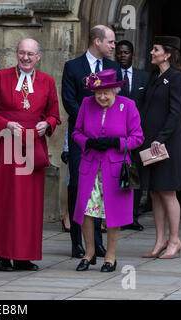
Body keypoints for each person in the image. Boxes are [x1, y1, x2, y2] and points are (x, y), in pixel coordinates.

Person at [0, 38, 61, 271]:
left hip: (32, 146)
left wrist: (47, 124)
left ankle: (23, 256)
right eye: (22, 53)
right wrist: (6, 124)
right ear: (16, 54)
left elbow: (54, 115)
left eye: (31, 54)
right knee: (5, 201)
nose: (26, 58)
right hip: (6, 146)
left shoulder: (48, 82)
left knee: (28, 205)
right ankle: (3, 254)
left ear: (38, 57)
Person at [72, 69, 144, 272]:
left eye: (106, 93)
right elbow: (76, 131)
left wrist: (117, 142)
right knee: (86, 209)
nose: (102, 97)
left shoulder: (127, 106)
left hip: (115, 168)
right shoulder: (87, 104)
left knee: (113, 213)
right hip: (91, 166)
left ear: (115, 90)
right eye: (98, 93)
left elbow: (138, 137)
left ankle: (110, 257)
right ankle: (89, 253)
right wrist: (88, 142)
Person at [61, 25, 121, 259]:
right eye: (111, 42)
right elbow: (69, 101)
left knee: (102, 189)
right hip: (81, 139)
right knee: (79, 187)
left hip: (106, 142)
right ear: (97, 41)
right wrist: (90, 127)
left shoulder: (114, 68)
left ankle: (96, 243)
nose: (114, 46)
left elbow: (117, 101)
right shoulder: (73, 67)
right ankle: (78, 242)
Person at [139, 36, 181, 259]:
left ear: (168, 54)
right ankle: (160, 240)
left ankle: (175, 240)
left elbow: (175, 112)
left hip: (167, 143)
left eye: (156, 49)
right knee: (155, 191)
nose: (151, 52)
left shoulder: (176, 77)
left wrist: (161, 137)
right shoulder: (154, 77)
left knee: (168, 191)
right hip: (150, 142)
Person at [115, 40, 150, 232]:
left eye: (126, 52)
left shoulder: (144, 77)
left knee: (135, 176)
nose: (122, 55)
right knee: (115, 178)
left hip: (136, 136)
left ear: (132, 54)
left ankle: (133, 217)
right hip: (116, 135)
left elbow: (147, 105)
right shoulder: (111, 77)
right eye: (119, 52)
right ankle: (116, 217)